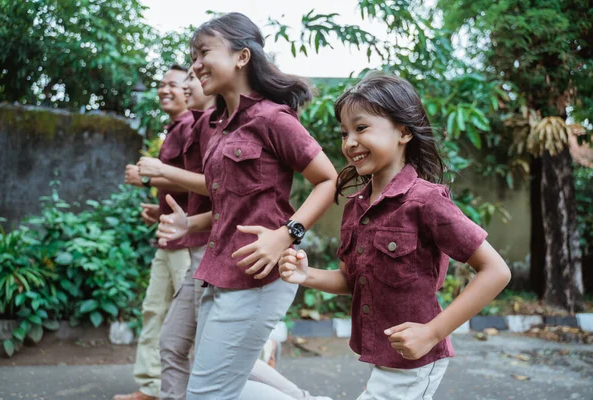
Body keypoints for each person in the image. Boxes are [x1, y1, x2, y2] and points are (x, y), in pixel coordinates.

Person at [278, 73, 512, 400]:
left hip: (415, 361)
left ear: (403, 131)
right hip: (385, 355)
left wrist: (432, 332)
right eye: (344, 133)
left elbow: (496, 271)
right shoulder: (356, 206)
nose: (349, 143)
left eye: (361, 128)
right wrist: (306, 275)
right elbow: (354, 279)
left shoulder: (426, 201)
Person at [144, 12, 338, 400]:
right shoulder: (218, 126)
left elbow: (329, 179)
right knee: (224, 383)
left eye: (203, 52)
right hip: (218, 270)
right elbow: (230, 206)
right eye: (193, 55)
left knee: (206, 392)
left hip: (258, 275)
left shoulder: (272, 118)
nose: (195, 65)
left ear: (242, 56)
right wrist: (190, 224)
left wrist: (287, 235)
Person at [117, 64, 207, 400]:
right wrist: (160, 210)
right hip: (169, 236)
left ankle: (210, 388)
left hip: (190, 240)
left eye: (177, 84)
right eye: (162, 84)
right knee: (155, 311)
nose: (166, 90)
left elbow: (203, 181)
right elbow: (186, 185)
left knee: (198, 323)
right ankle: (152, 386)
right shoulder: (176, 128)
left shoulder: (196, 126)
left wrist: (148, 178)